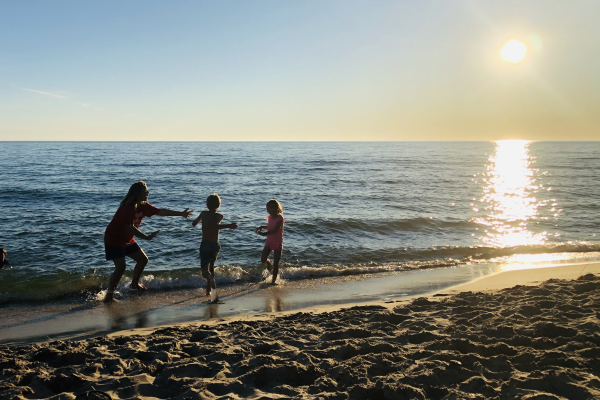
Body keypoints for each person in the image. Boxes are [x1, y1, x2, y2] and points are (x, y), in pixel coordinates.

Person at [103, 181, 192, 302]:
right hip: (114, 238)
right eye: (145, 191)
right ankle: (109, 296)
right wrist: (146, 237)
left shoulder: (143, 206)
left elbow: (160, 211)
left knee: (142, 259)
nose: (148, 193)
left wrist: (180, 214)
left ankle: (134, 285)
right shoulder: (128, 207)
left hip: (127, 238)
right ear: (138, 193)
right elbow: (130, 227)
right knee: (121, 267)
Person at [192, 193, 237, 301]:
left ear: (207, 204)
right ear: (219, 205)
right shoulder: (219, 216)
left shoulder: (203, 214)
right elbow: (215, 225)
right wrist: (228, 226)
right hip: (215, 246)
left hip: (205, 245)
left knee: (205, 271)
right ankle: (211, 292)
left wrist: (197, 221)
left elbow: (195, 223)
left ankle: (210, 286)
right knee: (211, 269)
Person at [255, 199, 284, 284]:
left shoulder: (280, 219)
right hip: (269, 241)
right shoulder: (270, 217)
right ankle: (268, 263)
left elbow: (275, 230)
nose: (267, 210)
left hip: (277, 242)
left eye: (268, 208)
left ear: (274, 208)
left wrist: (264, 234)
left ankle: (273, 281)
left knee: (276, 263)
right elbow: (270, 226)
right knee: (263, 259)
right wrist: (262, 227)